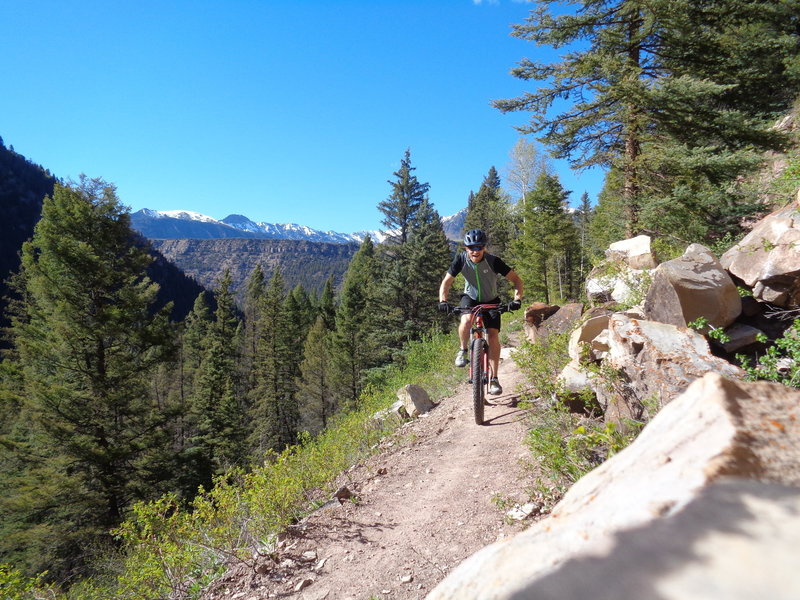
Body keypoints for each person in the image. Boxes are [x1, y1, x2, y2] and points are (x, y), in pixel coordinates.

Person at [438, 229, 523, 395]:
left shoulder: (493, 261)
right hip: (470, 298)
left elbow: (517, 281)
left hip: (491, 300)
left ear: (484, 247)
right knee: (466, 320)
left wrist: (517, 300)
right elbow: (446, 283)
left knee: (492, 335)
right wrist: (443, 301)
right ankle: (462, 351)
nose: (475, 251)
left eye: (479, 247)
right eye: (471, 247)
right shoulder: (461, 260)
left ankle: (495, 379)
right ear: (466, 248)